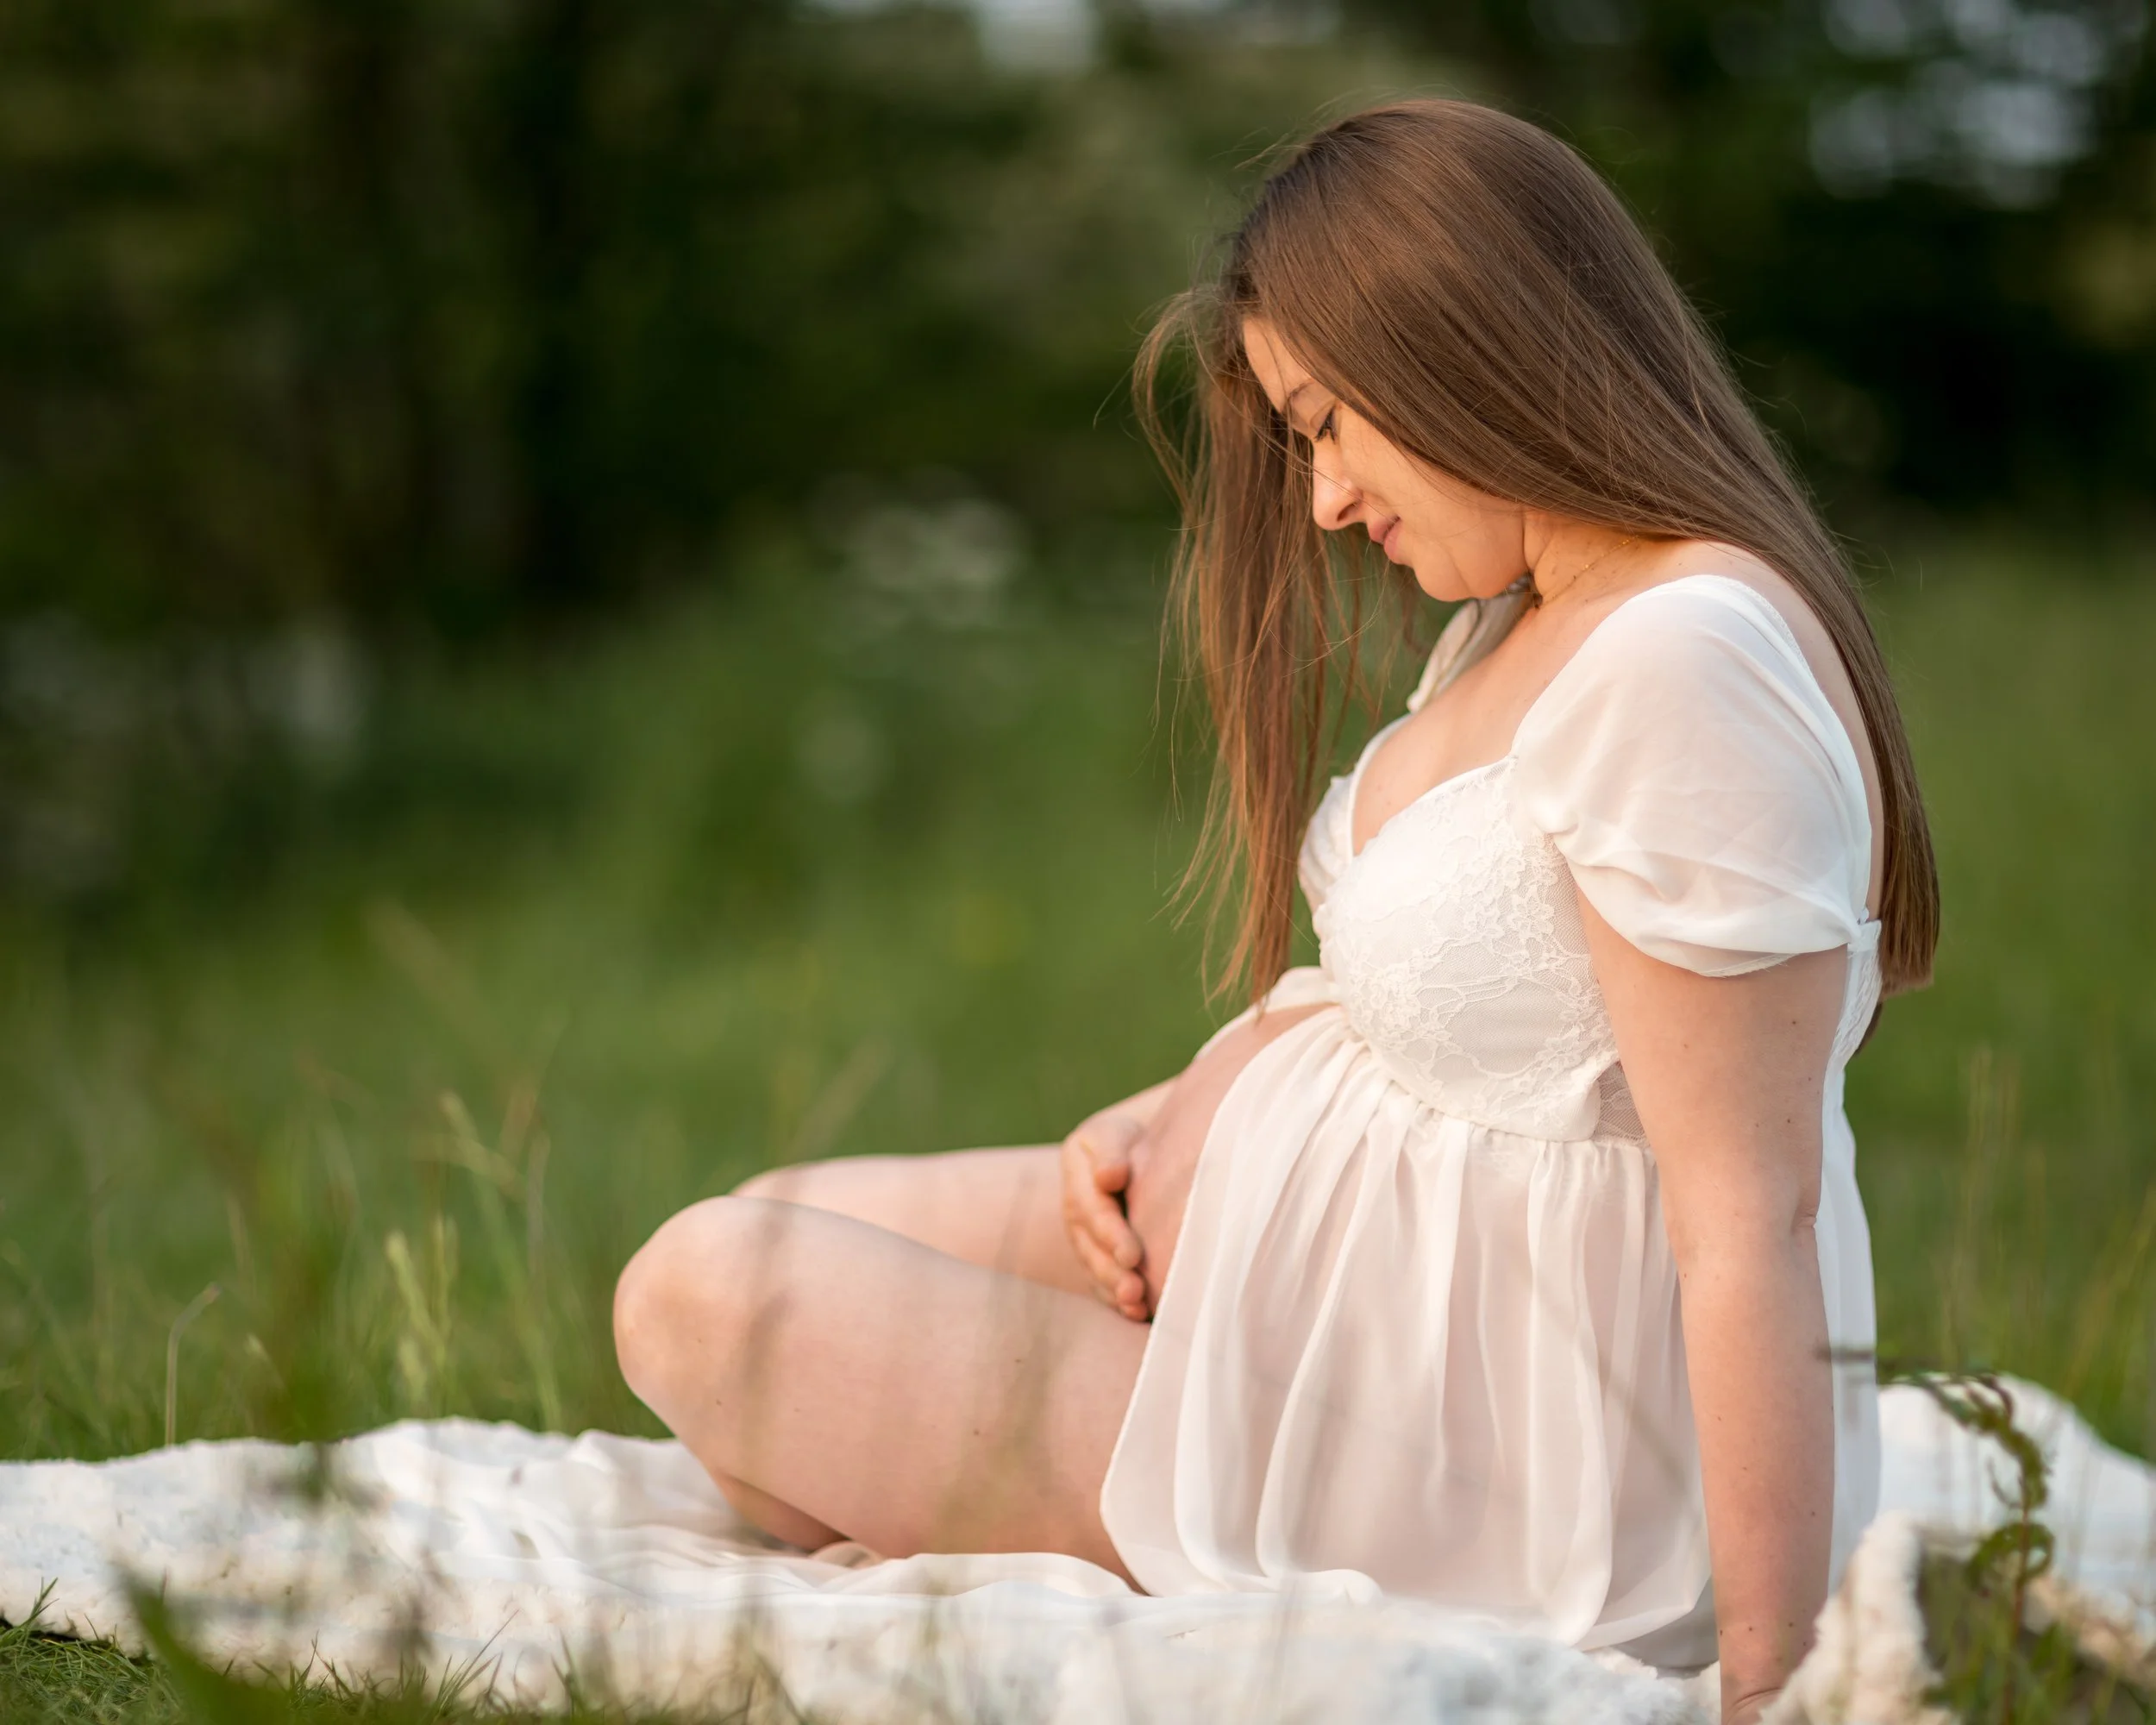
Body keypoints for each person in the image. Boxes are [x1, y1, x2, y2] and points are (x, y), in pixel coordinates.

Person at [611, 98, 1938, 1722]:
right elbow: (1448, 992)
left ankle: (1143, 1492)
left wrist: (1770, 1685)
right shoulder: (1525, 615)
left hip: (1448, 1463)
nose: (1320, 503)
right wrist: (1180, 1104)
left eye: (1328, 425)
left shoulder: (1684, 659)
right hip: (1270, 1272)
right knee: (767, 1257)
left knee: (707, 1297)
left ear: (1463, 340)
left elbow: (1754, 1214)